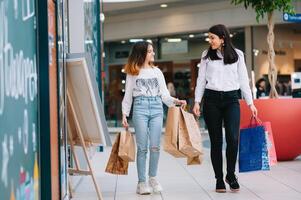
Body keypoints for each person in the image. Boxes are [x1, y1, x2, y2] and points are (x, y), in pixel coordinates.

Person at [192, 24, 257, 193]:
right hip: (212, 100)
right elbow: (201, 80)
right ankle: (219, 179)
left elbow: (244, 81)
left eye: (212, 37)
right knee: (216, 141)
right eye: (209, 37)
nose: (210, 40)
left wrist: (250, 103)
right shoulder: (206, 55)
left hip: (231, 100)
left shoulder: (238, 55)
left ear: (223, 38)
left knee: (233, 138)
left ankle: (230, 174)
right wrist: (197, 101)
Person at [121, 41, 186, 195]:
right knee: (142, 147)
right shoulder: (133, 72)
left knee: (155, 146)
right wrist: (124, 113)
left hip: (157, 108)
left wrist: (176, 101)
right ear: (142, 53)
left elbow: (164, 95)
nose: (153, 54)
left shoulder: (157, 72)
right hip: (140, 108)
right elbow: (128, 94)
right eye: (150, 51)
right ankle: (141, 182)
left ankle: (153, 178)